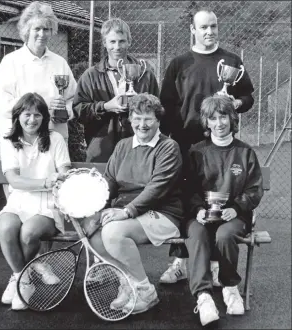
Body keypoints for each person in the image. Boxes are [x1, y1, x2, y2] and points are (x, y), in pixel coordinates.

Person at [159, 7, 255, 284]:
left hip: (221, 144)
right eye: (203, 27)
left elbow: (247, 96)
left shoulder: (231, 60)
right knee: (186, 202)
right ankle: (179, 262)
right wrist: (171, 143)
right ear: (193, 30)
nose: (209, 32)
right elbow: (166, 104)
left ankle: (214, 264)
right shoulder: (179, 63)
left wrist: (235, 103)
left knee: (216, 200)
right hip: (187, 144)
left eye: (213, 26)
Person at [83, 93, 184, 314]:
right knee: (95, 235)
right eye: (137, 118)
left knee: (113, 233)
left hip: (163, 213)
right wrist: (95, 210)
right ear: (130, 119)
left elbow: (156, 189)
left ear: (158, 120)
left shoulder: (169, 147)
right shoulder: (122, 146)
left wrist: (127, 212)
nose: (142, 124)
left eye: (148, 118)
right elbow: (109, 181)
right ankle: (128, 285)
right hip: (126, 212)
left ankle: (146, 292)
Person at [183, 94, 263, 326]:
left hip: (234, 216)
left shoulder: (245, 152)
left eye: (224, 117)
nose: (219, 123)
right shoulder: (196, 152)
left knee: (225, 234)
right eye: (213, 118)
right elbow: (188, 188)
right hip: (202, 215)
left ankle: (230, 287)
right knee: (196, 233)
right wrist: (198, 208)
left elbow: (255, 188)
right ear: (206, 122)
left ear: (232, 119)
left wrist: (237, 208)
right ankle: (204, 296)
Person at [0, 92, 71, 310]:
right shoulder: (8, 141)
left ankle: (17, 280)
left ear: (44, 117)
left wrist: (60, 177)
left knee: (28, 232)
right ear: (18, 116)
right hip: (19, 200)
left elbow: (65, 171)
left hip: (47, 203)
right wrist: (45, 181)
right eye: (27, 114)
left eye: (38, 115)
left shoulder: (55, 139)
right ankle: (22, 280)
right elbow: (14, 180)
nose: (32, 120)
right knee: (6, 227)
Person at [73, 18, 159, 162]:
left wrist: (139, 106)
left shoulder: (145, 74)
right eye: (112, 42)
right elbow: (78, 111)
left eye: (122, 41)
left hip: (139, 147)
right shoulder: (91, 76)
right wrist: (106, 106)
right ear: (104, 43)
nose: (117, 47)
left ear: (129, 42)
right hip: (101, 150)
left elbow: (158, 110)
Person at [0, 1, 77, 144]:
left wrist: (64, 112)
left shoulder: (60, 63)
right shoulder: (10, 61)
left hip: (53, 137)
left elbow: (73, 99)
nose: (42, 34)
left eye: (46, 29)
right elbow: (1, 105)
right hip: (18, 137)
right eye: (37, 28)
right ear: (27, 30)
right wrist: (34, 113)